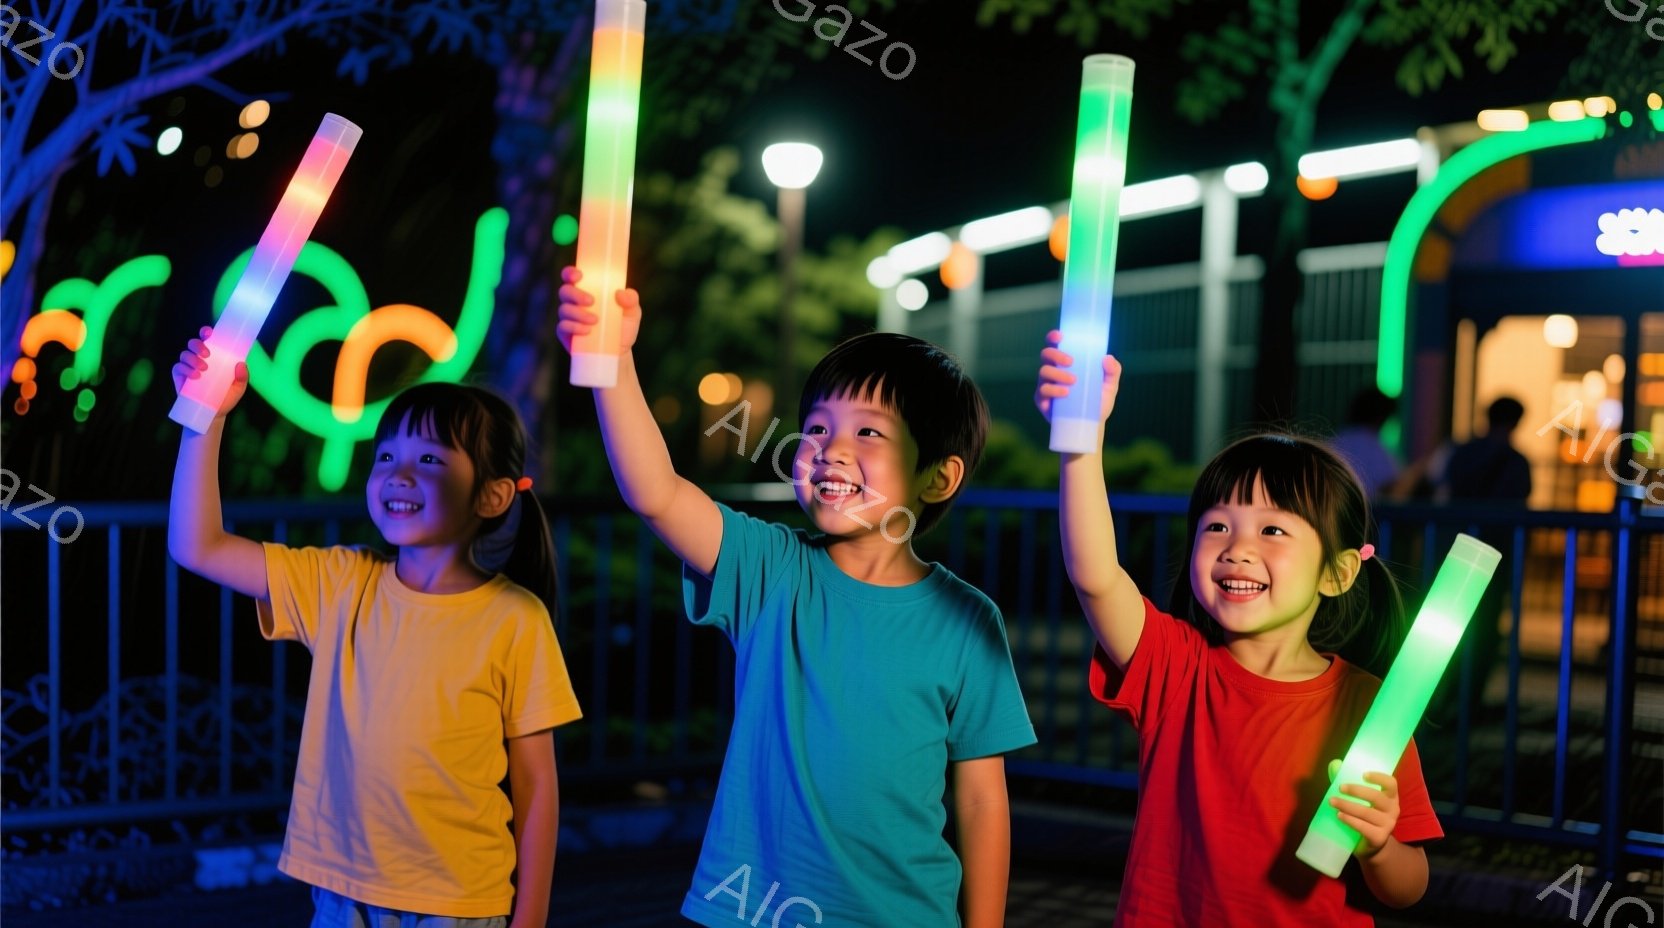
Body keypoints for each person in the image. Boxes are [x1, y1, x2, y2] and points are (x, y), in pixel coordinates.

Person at [556, 269, 1036, 928]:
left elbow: (982, 801)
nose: (829, 451)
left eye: (868, 433)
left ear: (938, 475)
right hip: (748, 910)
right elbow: (656, 493)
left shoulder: (967, 619)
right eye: (815, 429)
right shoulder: (772, 568)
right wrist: (613, 361)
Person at [168, 327, 581, 928]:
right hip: (344, 897)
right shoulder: (340, 583)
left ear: (492, 497)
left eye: (431, 459)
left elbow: (536, 784)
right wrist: (201, 419)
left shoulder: (516, 619)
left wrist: (531, 918)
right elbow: (196, 545)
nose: (399, 474)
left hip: (463, 904)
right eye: (386, 456)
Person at [1035, 332, 1442, 926]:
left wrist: (1378, 845)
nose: (1238, 549)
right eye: (1218, 526)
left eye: (1273, 531)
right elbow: (1095, 576)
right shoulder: (1175, 667)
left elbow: (1408, 888)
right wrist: (1082, 439)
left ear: (1338, 571)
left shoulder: (1370, 706)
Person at [1429, 396, 1532, 725]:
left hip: (1456, 553)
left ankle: (1438, 700)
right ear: (1517, 422)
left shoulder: (1462, 452)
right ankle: (1467, 704)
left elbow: (1445, 488)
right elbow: (1519, 504)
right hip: (1495, 557)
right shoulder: (1517, 462)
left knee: (1446, 627)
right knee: (1486, 631)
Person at [1330, 387, 1401, 500]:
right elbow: (1390, 486)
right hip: (1365, 512)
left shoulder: (1334, 442)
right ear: (1380, 418)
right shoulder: (1374, 448)